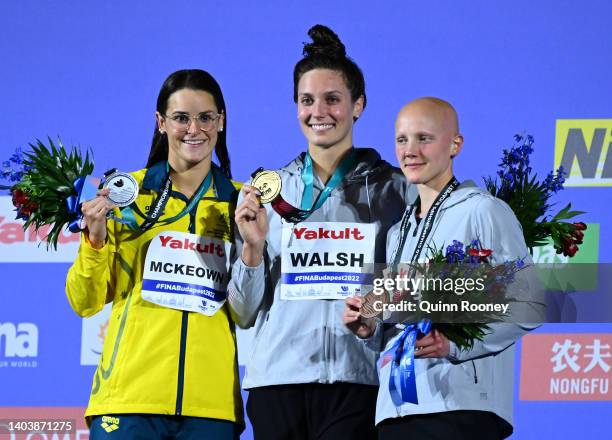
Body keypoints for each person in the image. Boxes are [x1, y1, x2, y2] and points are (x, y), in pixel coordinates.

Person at [227, 25, 410, 440]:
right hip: (276, 382)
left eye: (333, 99)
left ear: (358, 105)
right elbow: (241, 311)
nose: (319, 112)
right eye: (307, 100)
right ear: (295, 106)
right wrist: (252, 251)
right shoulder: (266, 191)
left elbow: (409, 282)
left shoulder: (397, 189)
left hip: (356, 379)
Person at [344, 97, 543, 439]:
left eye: (424, 138)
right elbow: (403, 316)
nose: (410, 150)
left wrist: (455, 345)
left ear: (455, 144)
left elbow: (531, 305)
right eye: (402, 139)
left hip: (461, 407)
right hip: (397, 409)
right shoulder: (398, 232)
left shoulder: (483, 211)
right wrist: (370, 326)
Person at [66, 69, 243, 439]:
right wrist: (95, 242)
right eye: (181, 118)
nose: (194, 129)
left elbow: (250, 308)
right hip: (128, 400)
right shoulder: (124, 196)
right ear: (161, 122)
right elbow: (84, 302)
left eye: (205, 117)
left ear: (221, 121)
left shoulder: (242, 203)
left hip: (209, 405)